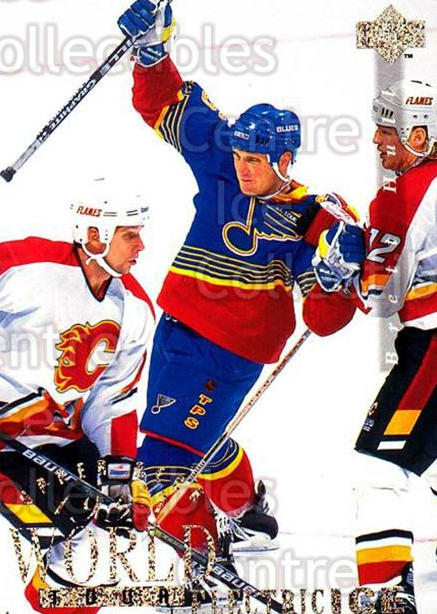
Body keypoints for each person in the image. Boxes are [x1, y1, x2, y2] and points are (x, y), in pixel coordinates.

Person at [117, 0, 357, 571]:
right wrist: (150, 54)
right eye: (242, 156)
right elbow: (162, 104)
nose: (244, 168)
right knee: (189, 436)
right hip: (178, 331)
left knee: (166, 457)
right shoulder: (222, 156)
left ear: (286, 159)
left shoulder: (314, 218)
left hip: (235, 351)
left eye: (257, 160)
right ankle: (248, 512)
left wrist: (334, 278)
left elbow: (323, 319)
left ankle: (201, 565)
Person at [0, 180, 154, 613]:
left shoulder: (134, 309)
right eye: (129, 235)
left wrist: (120, 478)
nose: (141, 246)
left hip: (54, 441)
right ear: (94, 235)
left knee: (97, 550)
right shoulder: (25, 267)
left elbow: (114, 400)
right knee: (52, 528)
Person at [312, 79, 437, 614]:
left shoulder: (403, 193)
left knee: (378, 465)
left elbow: (382, 298)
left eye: (389, 130)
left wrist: (342, 269)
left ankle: (386, 591)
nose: (378, 140)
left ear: (420, 134)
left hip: (432, 348)